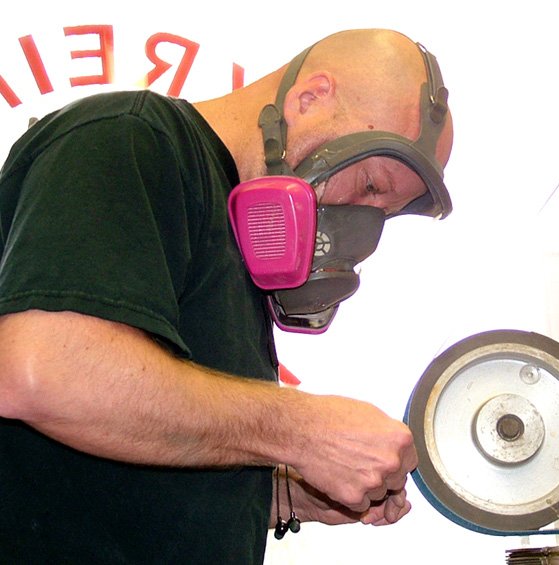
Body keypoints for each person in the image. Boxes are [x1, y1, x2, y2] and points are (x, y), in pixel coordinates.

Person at [0, 28, 453, 563]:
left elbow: (118, 467)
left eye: (383, 213)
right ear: (310, 99)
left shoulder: (232, 230)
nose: (361, 223)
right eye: (371, 186)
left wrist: (277, 492)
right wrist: (303, 430)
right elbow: (42, 372)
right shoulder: (129, 138)